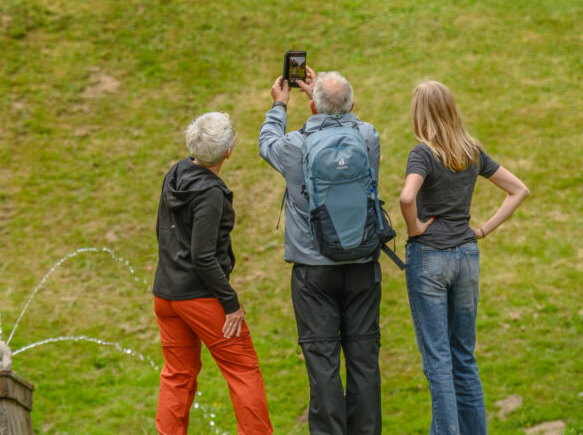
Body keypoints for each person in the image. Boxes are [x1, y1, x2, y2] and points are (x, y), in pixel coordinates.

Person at [400, 81, 529, 434]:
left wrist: (413, 230)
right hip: (467, 258)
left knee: (438, 362)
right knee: (464, 357)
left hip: (430, 260)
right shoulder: (471, 151)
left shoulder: (422, 154)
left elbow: (407, 198)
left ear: (419, 113)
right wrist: (482, 230)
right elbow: (519, 190)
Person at [258, 68, 382, 435]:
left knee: (323, 365)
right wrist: (324, 104)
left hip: (313, 273)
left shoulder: (294, 145)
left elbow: (266, 142)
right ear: (353, 105)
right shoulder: (368, 137)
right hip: (362, 265)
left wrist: (280, 106)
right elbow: (345, 121)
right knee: (364, 363)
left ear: (312, 106)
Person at [153, 112, 272, 435]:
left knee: (177, 374)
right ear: (228, 152)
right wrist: (230, 303)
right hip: (200, 297)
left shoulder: (176, 172)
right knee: (244, 370)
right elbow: (203, 256)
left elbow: (162, 232)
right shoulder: (210, 192)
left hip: (165, 294)